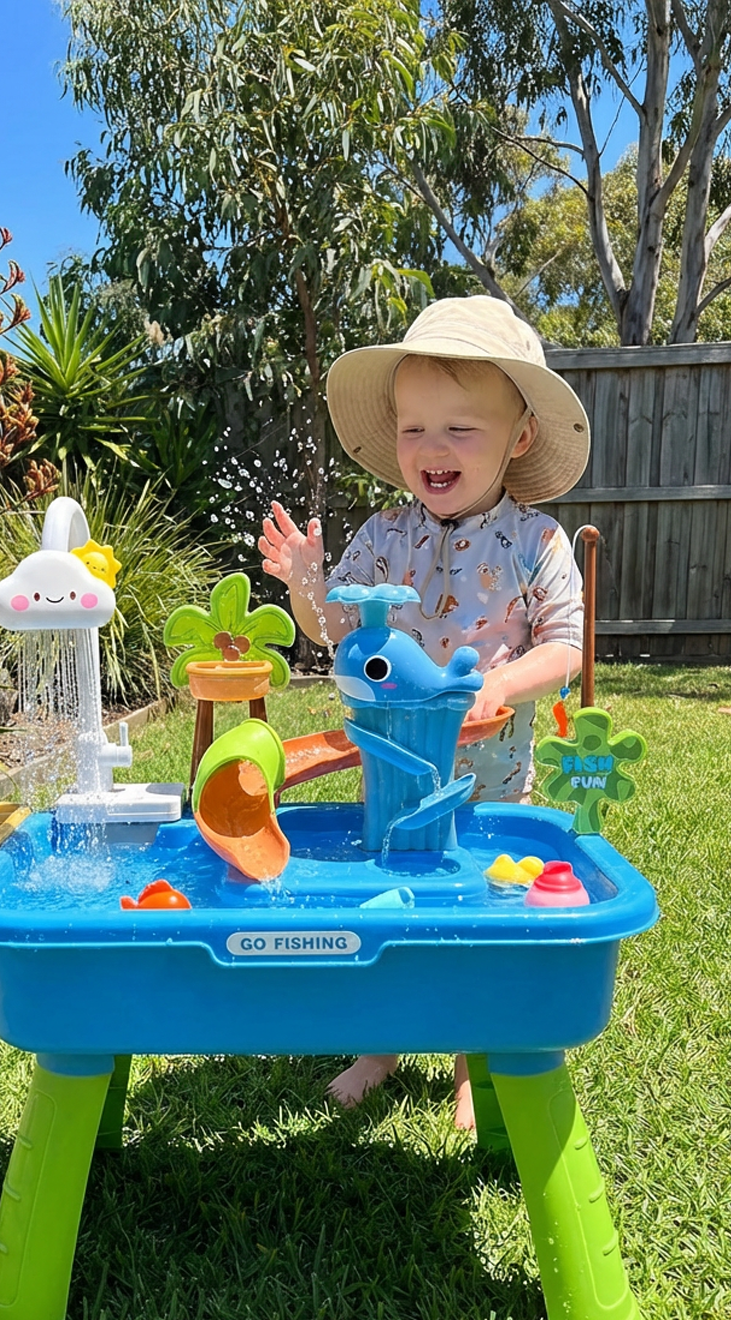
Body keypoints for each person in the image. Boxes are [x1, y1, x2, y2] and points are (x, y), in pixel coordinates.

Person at [258, 296, 589, 1124]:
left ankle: (472, 1057)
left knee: (478, 909)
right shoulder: (384, 533)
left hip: (493, 776)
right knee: (390, 899)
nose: (433, 450)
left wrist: (507, 685)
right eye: (414, 430)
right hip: (393, 774)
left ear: (518, 439)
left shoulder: (535, 542)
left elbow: (569, 643)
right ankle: (382, 1041)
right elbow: (333, 631)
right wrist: (305, 579)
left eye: (460, 430)